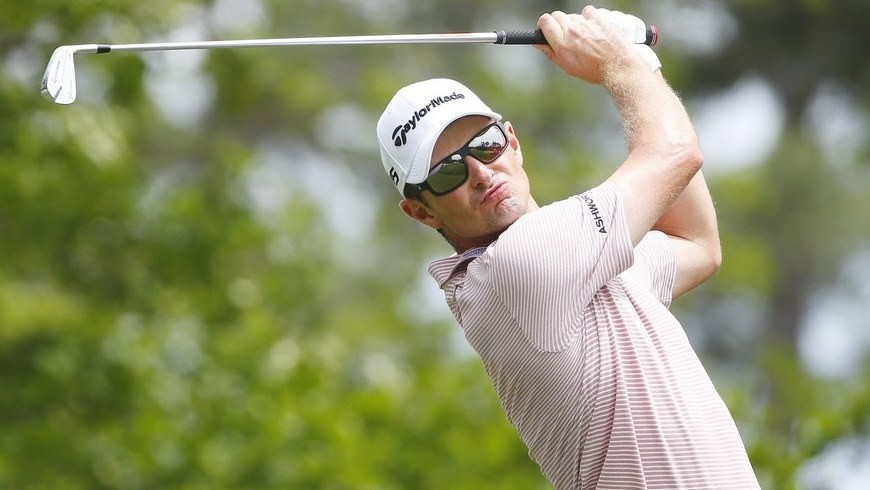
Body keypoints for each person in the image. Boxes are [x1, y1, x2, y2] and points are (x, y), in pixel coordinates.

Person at [376, 6, 760, 489]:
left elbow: (698, 245)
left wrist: (640, 62)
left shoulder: (581, 264)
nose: (481, 173)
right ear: (422, 213)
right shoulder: (519, 264)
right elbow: (674, 153)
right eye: (449, 172)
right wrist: (619, 61)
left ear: (512, 141)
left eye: (486, 145)